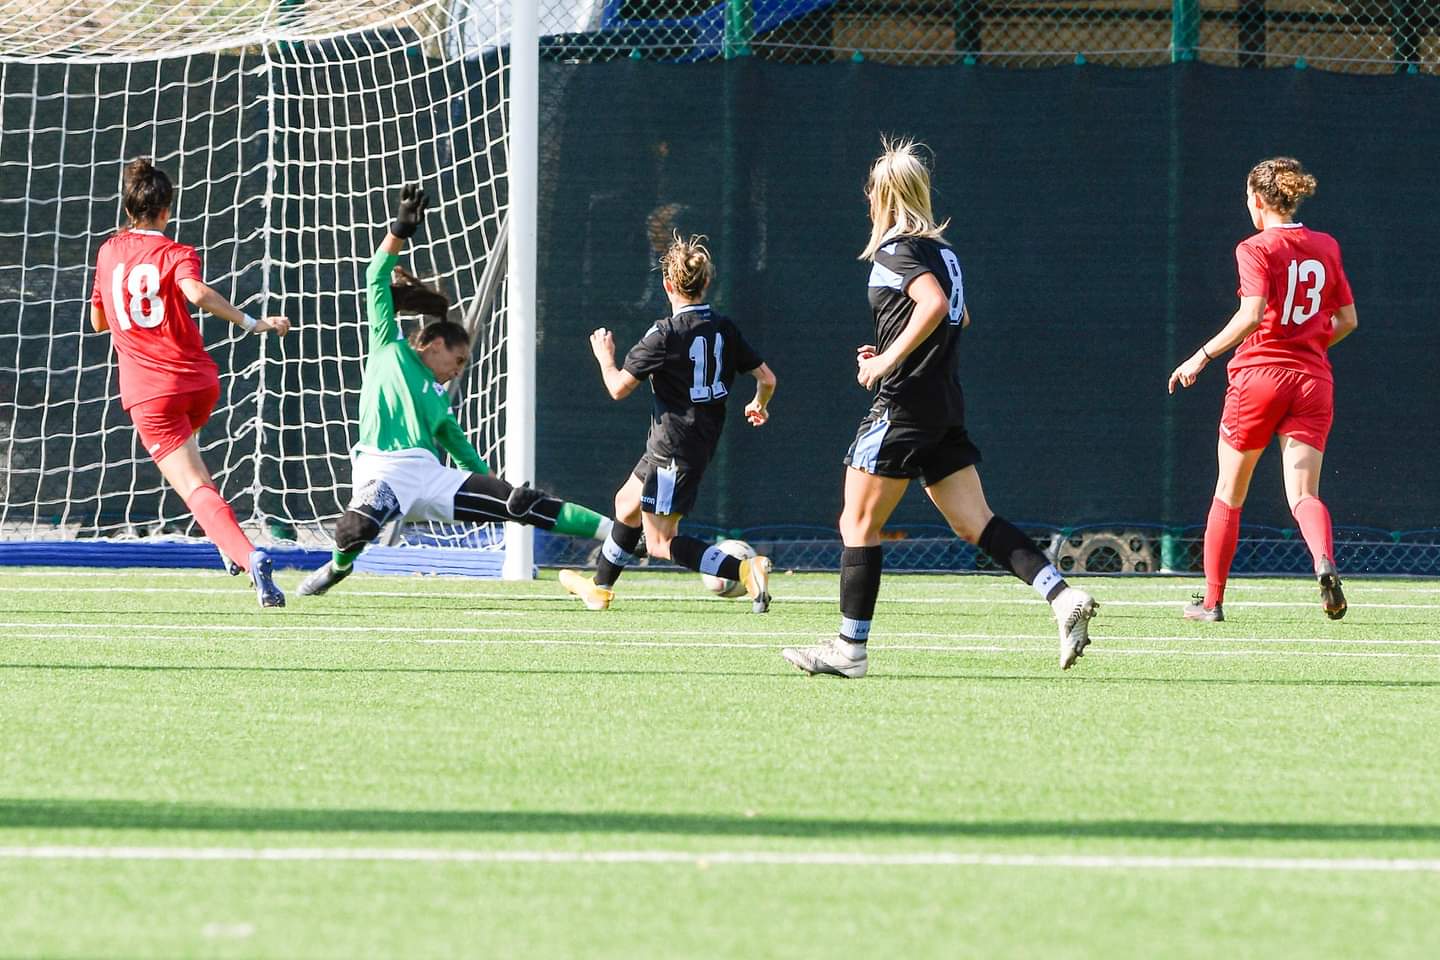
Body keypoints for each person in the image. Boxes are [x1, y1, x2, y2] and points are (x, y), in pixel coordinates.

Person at [781, 138, 1098, 678]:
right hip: (942, 403)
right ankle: (1062, 597)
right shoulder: (944, 253)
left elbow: (933, 306)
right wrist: (890, 345)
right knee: (976, 522)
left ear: (884, 197)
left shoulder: (895, 251)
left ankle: (849, 651)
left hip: (902, 405)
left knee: (856, 522)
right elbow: (958, 317)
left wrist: (884, 365)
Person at [298, 185, 612, 596]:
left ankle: (619, 531)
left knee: (519, 504)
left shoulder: (435, 395)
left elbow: (454, 439)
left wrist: (487, 479)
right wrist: (400, 230)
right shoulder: (389, 347)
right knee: (354, 529)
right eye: (458, 360)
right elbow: (375, 277)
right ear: (434, 344)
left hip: (430, 477)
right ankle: (338, 569)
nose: (457, 370)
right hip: (382, 470)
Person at [91, 157, 290, 607]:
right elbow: (195, 292)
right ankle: (229, 544)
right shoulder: (178, 252)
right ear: (167, 211)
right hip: (198, 382)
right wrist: (251, 322)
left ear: (128, 210)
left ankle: (249, 553)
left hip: (150, 392)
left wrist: (126, 319)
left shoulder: (107, 252)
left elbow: (98, 321)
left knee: (192, 487)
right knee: (197, 471)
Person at [1169, 157, 1357, 622]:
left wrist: (1200, 357)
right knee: (1303, 495)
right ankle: (1322, 561)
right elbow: (1348, 320)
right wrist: (1309, 341)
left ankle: (1211, 602)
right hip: (1313, 381)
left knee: (1229, 492)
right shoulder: (1326, 245)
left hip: (1259, 377)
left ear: (1257, 200)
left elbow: (1251, 313)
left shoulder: (1254, 247)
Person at [557, 234, 777, 612]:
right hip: (695, 441)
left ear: (667, 285)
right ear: (707, 283)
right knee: (625, 505)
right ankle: (599, 587)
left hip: (672, 447)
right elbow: (767, 378)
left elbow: (617, 388)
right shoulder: (724, 327)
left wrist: (604, 357)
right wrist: (758, 404)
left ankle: (743, 571)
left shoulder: (664, 334)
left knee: (659, 542)